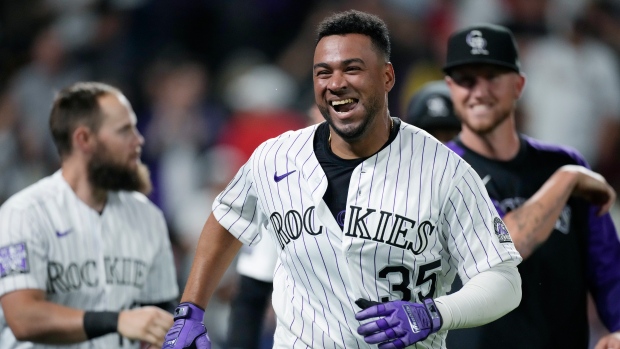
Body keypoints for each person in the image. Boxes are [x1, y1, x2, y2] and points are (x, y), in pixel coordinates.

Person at [162, 10, 523, 349]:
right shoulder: (275, 156)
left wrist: (435, 312)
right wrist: (191, 308)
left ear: (387, 77)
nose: (336, 83)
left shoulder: (445, 170)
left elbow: (504, 281)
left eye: (352, 69)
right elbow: (226, 220)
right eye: (323, 72)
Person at [442, 23, 620, 349]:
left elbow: (610, 269)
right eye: (467, 80)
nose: (480, 91)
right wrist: (566, 181)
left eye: (492, 76)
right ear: (450, 87)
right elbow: (504, 251)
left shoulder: (562, 162)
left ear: (519, 85)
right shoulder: (439, 169)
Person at [0, 82, 179, 348]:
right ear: (84, 139)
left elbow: (160, 312)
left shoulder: (148, 216)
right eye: (124, 130)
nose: (138, 140)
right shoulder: (24, 214)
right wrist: (115, 320)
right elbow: (23, 318)